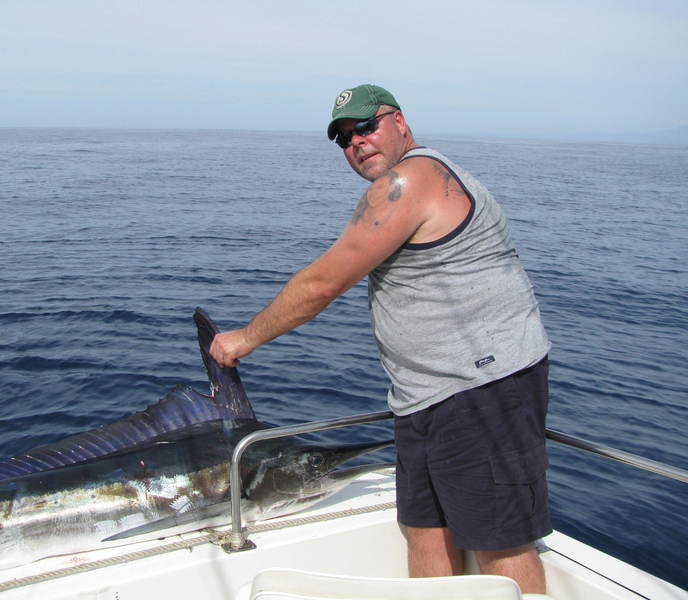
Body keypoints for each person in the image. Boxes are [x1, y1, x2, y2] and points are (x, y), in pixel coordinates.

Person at [210, 84, 552, 593]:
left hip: (481, 388)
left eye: (366, 127)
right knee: (424, 531)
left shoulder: (411, 179)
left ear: (399, 122)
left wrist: (244, 338)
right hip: (423, 395)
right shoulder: (407, 183)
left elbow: (322, 283)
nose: (357, 142)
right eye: (344, 138)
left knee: (500, 540)